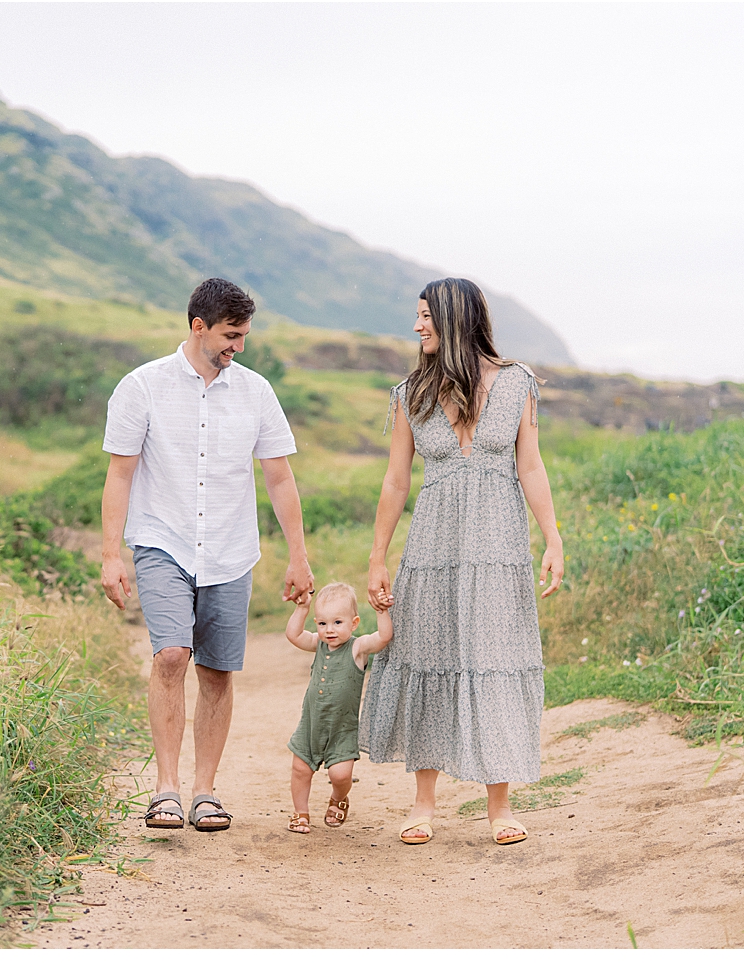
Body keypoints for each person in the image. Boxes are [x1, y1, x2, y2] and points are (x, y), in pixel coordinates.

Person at [100, 277, 315, 832]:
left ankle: (204, 792)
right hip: (161, 541)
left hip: (229, 547)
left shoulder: (256, 392)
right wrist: (109, 555)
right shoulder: (140, 386)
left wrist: (298, 556)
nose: (237, 346)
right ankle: (165, 790)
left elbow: (279, 477)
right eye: (230, 335)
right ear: (199, 326)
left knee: (217, 671)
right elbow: (119, 474)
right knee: (172, 655)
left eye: (243, 336)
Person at [361, 277, 565, 846]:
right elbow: (396, 481)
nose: (418, 325)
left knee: (497, 661)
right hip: (433, 551)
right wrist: (377, 559)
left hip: (500, 552)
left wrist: (552, 539)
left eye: (426, 315)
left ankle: (499, 808)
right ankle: (424, 804)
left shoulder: (517, 383)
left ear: (453, 318)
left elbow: (531, 468)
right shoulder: (410, 395)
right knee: (428, 654)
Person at [283, 582, 393, 834]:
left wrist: (381, 610)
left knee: (341, 775)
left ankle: (338, 798)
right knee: (300, 769)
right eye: (322, 624)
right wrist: (302, 609)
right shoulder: (318, 644)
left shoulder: (357, 648)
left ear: (354, 623)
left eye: (337, 623)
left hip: (342, 729)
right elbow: (294, 635)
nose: (329, 630)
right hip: (311, 724)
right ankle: (300, 813)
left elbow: (383, 637)